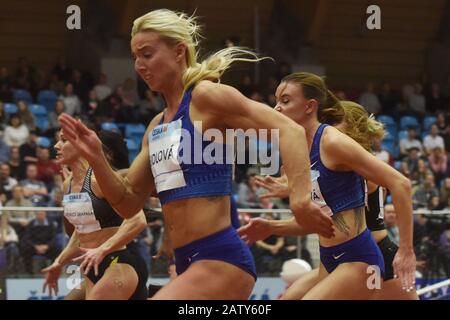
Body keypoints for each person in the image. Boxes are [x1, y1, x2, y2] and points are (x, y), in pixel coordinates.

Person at [59, 9, 334, 299]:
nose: (139, 65)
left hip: (222, 258)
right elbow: (128, 203)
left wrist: (300, 200)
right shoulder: (156, 126)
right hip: (188, 262)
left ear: (179, 52)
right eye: (135, 57)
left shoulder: (206, 97)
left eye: (147, 54)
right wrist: (97, 159)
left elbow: (289, 131)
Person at [239, 73, 416, 299]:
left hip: (359, 257)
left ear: (310, 106)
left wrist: (406, 249)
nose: (277, 108)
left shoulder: (331, 141)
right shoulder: (298, 149)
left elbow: (401, 183)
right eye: (276, 101)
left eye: (285, 101)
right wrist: (272, 225)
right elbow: (319, 223)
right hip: (329, 256)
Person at [42, 130, 149, 300]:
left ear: (81, 145)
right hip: (92, 267)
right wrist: (59, 262)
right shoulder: (67, 185)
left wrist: (102, 249)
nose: (56, 146)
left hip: (118, 262)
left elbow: (138, 220)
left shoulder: (99, 180)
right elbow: (81, 232)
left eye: (64, 140)